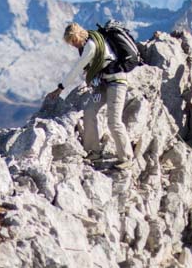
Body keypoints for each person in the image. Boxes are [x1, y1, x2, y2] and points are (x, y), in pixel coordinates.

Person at [47, 22, 133, 170]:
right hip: (103, 84)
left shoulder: (91, 46)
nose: (73, 45)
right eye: (70, 42)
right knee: (89, 111)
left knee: (113, 121)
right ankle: (94, 151)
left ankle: (126, 158)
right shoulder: (88, 43)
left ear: (79, 35)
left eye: (74, 41)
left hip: (117, 82)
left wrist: (60, 88)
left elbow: (77, 68)